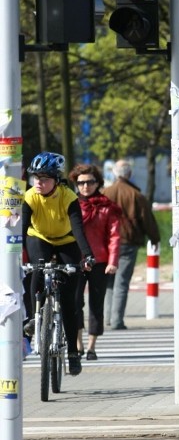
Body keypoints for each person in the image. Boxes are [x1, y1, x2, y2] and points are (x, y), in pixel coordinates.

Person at [22, 152, 95, 377]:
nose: (38, 183)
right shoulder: (30, 197)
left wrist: (87, 255)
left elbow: (78, 229)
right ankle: (34, 318)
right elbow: (22, 227)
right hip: (39, 237)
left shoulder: (68, 197)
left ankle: (73, 353)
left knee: (68, 301)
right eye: (35, 178)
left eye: (44, 179)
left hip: (66, 241)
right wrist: (13, 254)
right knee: (37, 266)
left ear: (55, 179)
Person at [68, 163, 122, 360]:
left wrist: (113, 261)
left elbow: (114, 236)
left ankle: (92, 346)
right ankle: (78, 342)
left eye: (90, 182)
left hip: (100, 262)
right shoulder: (71, 205)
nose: (85, 186)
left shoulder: (107, 207)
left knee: (96, 304)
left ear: (98, 183)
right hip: (76, 260)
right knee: (74, 302)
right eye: (81, 182)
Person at [103, 159, 160, 330]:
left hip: (107, 243)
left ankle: (107, 317)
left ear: (114, 173)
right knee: (122, 282)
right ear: (129, 174)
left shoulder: (105, 193)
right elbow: (147, 219)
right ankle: (117, 320)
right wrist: (154, 238)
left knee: (108, 282)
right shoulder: (136, 195)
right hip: (128, 242)